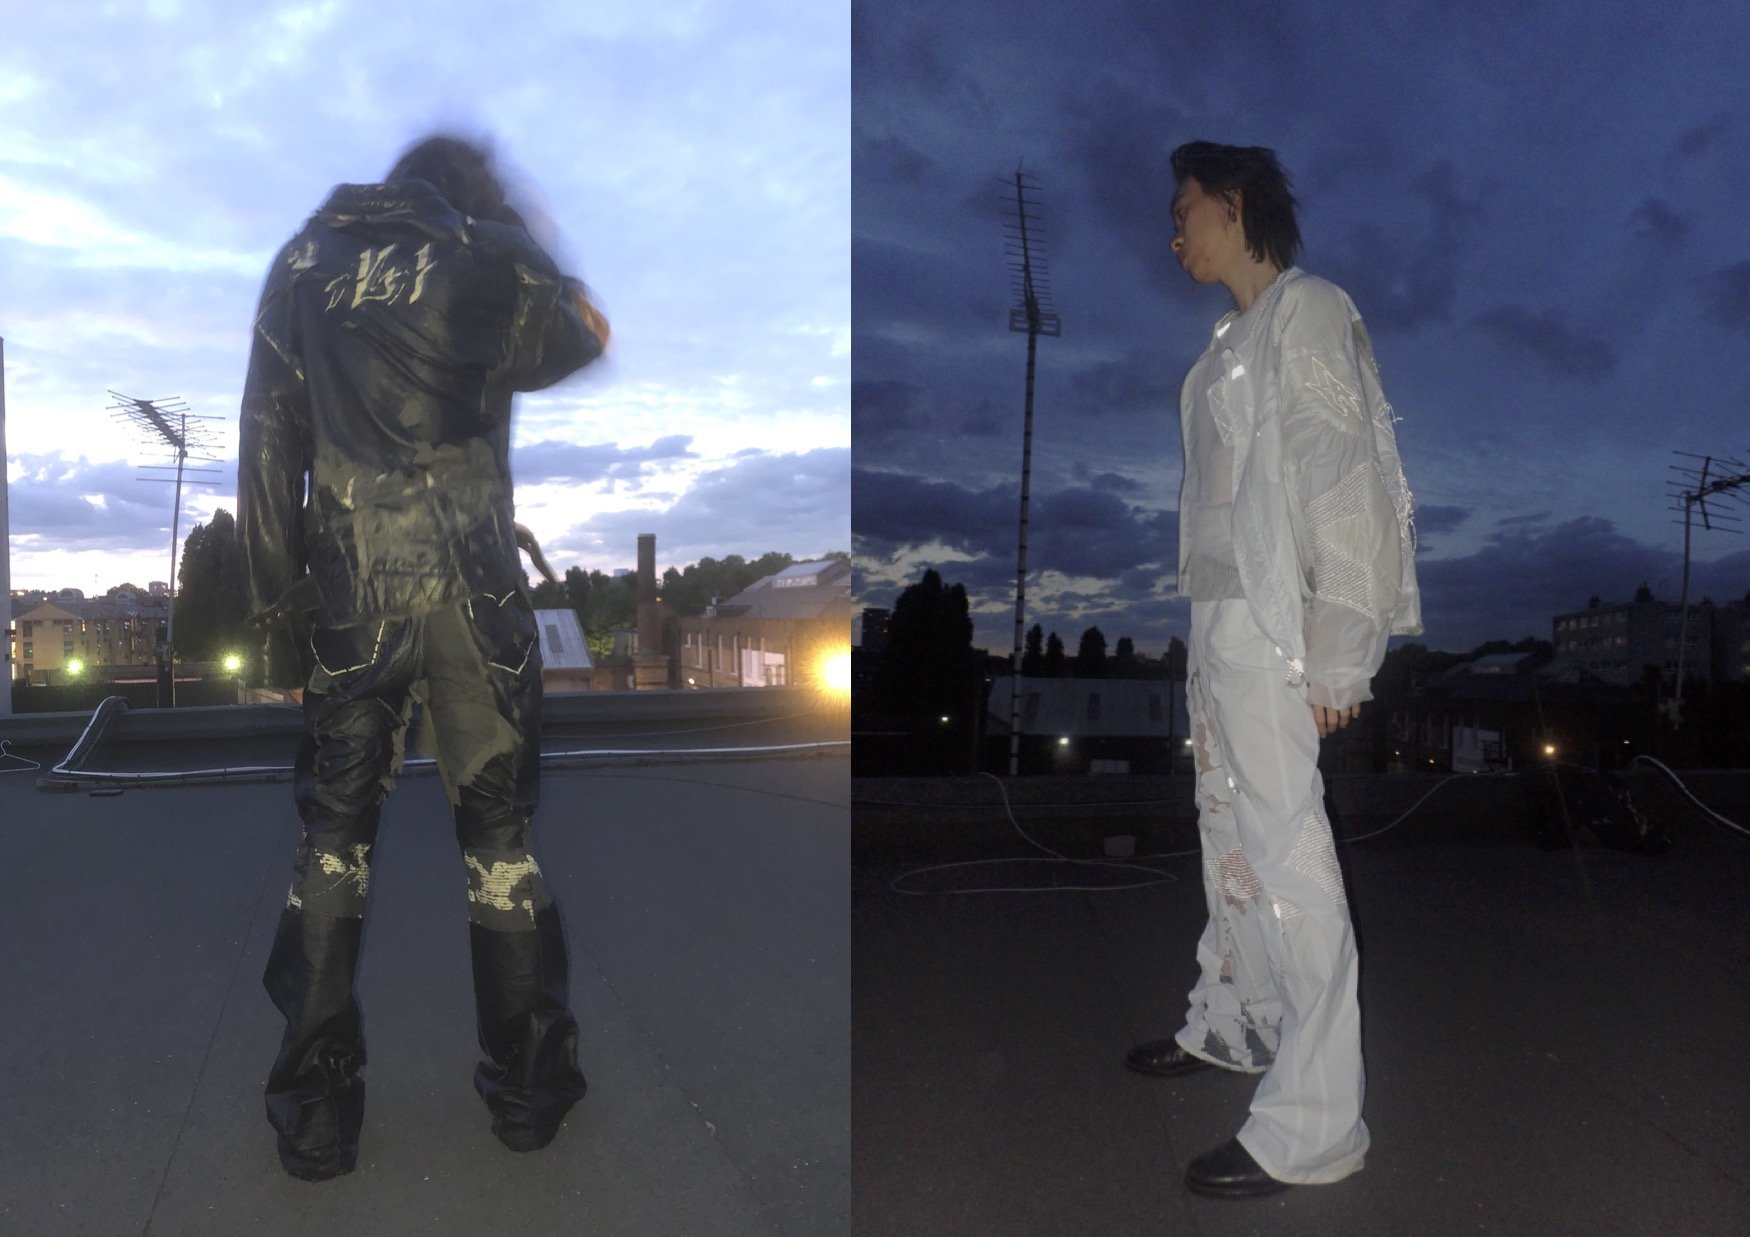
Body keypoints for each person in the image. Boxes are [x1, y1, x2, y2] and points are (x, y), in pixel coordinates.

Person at [236, 133, 610, 1182]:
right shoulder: (492, 255)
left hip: (355, 589)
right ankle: (529, 1089)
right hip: (476, 593)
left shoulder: (302, 263)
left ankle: (314, 1110)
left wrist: (277, 615)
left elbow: (267, 440)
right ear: (464, 194)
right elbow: (585, 332)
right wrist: (519, 229)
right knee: (498, 835)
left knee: (333, 841)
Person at [1124, 141, 1421, 1198]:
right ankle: (1234, 1020)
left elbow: (1346, 476)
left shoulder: (1307, 311)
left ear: (1235, 203)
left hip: (1274, 626)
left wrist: (1342, 647)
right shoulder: (1227, 341)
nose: (1173, 231)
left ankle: (1313, 1122)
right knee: (1231, 834)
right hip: (1220, 624)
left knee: (1289, 852)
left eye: (1185, 209)